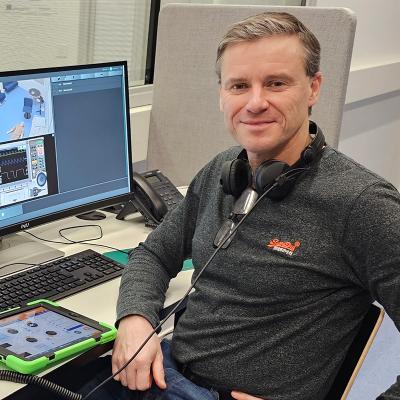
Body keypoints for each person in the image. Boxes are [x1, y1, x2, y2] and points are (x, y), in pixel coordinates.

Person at [81, 11, 400, 400]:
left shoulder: (363, 204)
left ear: (313, 88)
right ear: (221, 94)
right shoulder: (223, 169)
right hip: (164, 372)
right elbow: (153, 254)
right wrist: (134, 320)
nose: (255, 102)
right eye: (238, 86)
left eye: (276, 83)